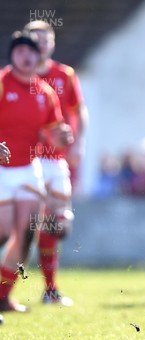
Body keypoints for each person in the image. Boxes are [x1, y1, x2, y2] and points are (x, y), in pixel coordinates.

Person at [0, 30, 71, 313]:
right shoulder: (3, 83)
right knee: (3, 234)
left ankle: (3, 297)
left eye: (31, 51)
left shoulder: (45, 92)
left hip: (30, 170)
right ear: (12, 55)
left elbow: (53, 134)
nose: (27, 56)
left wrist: (62, 137)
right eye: (20, 51)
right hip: (1, 172)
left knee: (26, 234)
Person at [24, 20, 88, 306]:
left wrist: (79, 144)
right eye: (34, 41)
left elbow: (78, 110)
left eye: (45, 40)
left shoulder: (64, 75)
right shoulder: (13, 78)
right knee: (20, 227)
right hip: (23, 161)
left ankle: (50, 289)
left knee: (54, 225)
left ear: (52, 44)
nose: (40, 46)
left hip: (55, 160)